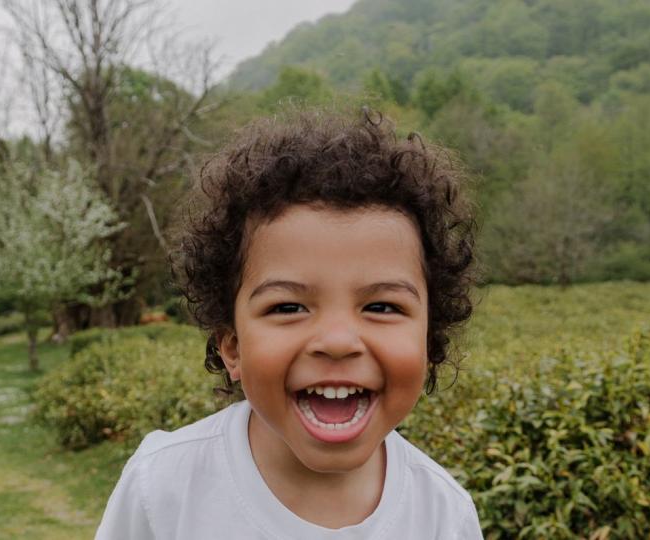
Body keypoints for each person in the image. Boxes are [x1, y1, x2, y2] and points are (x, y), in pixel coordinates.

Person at [95, 109, 484, 539]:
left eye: (382, 307)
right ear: (232, 347)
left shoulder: (444, 516)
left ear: (429, 342)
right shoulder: (163, 486)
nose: (337, 341)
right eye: (287, 308)